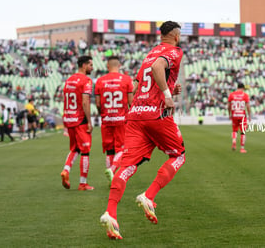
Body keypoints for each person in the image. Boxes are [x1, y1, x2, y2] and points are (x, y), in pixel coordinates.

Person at [100, 21, 185, 240]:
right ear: (175, 36)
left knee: (127, 167)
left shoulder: (148, 55)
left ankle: (111, 213)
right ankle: (149, 195)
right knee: (178, 155)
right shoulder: (174, 51)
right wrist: (166, 95)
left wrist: (166, 89)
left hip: (136, 115)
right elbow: (159, 68)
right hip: (156, 115)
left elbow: (141, 86)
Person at [94, 56, 133, 185]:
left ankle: (112, 178)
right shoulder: (127, 80)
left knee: (109, 150)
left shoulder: (100, 81)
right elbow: (130, 101)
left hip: (106, 119)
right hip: (122, 119)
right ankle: (112, 170)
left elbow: (98, 104)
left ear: (107, 66)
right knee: (122, 148)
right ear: (119, 65)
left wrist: (103, 114)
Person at [60, 55, 94, 191]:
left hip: (69, 119)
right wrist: (89, 121)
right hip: (80, 120)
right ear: (84, 65)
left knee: (75, 148)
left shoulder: (68, 80)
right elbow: (85, 101)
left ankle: (66, 170)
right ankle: (83, 183)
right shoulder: (86, 80)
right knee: (85, 151)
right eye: (91, 65)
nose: (92, 68)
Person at [228, 83, 251, 153]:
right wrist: (249, 115)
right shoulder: (245, 95)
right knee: (243, 132)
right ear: (243, 88)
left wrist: (230, 114)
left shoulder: (231, 95)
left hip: (234, 115)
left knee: (234, 130)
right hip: (242, 115)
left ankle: (234, 141)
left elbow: (228, 106)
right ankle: (242, 148)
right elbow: (248, 106)